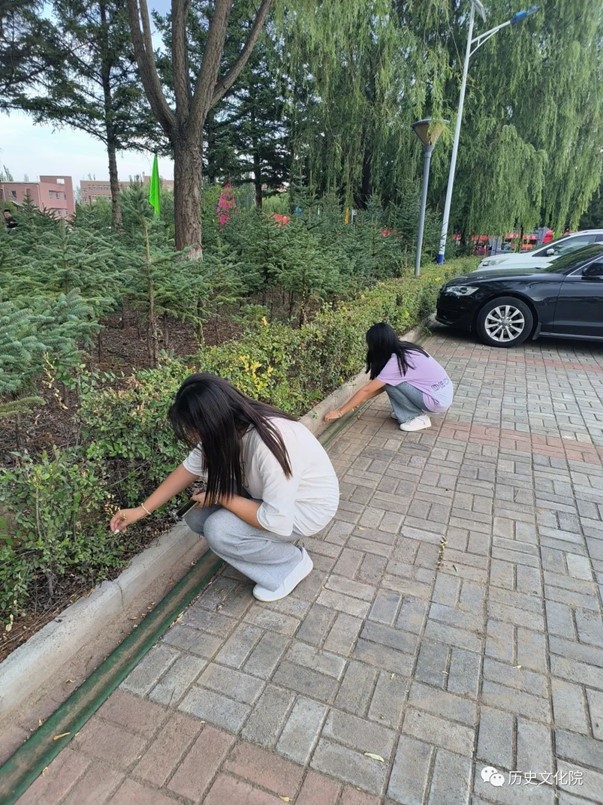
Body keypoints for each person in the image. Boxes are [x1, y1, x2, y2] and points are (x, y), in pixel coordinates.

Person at [110, 373, 339, 602]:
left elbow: (275, 520)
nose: (194, 437)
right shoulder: (231, 427)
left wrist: (220, 496)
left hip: (303, 510)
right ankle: (259, 548)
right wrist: (141, 510)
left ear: (210, 421)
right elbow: (187, 470)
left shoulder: (270, 443)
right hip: (269, 499)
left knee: (219, 530)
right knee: (196, 516)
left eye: (194, 430)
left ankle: (290, 564)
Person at [324, 322, 453, 432]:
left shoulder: (396, 362)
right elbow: (379, 387)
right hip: (443, 392)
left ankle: (415, 417)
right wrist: (360, 400)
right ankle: (405, 411)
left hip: (436, 401)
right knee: (390, 383)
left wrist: (340, 412)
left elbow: (367, 389)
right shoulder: (406, 349)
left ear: (378, 345)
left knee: (391, 384)